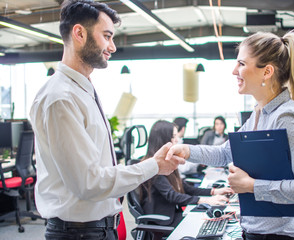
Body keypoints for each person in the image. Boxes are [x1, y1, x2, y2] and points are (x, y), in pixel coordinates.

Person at [29, 1, 183, 239]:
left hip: (96, 228)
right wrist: (153, 165)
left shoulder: (82, 89)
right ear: (79, 33)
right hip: (79, 233)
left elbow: (100, 170)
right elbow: (90, 183)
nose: (112, 46)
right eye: (107, 36)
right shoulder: (60, 98)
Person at [166, 31, 294, 240]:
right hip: (255, 232)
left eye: (241, 63)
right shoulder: (258, 114)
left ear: (267, 71)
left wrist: (251, 186)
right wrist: (186, 150)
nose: (234, 71)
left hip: (278, 236)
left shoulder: (285, 117)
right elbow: (224, 154)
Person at [140, 120, 233, 227]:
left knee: (210, 221)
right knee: (204, 224)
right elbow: (172, 195)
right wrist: (204, 200)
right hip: (163, 217)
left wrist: (214, 191)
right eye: (173, 136)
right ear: (163, 140)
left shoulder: (167, 161)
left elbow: (185, 187)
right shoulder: (154, 165)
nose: (177, 139)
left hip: (174, 212)